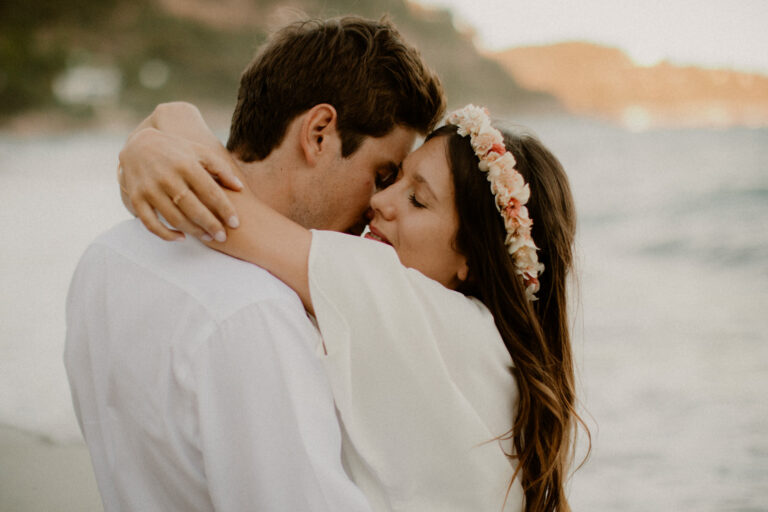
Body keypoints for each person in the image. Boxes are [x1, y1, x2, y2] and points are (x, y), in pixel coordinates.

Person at [119, 102, 588, 511]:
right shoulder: (487, 346)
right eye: (392, 178)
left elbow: (223, 214)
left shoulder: (415, 308)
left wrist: (167, 123)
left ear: (474, 258)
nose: (379, 201)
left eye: (417, 200)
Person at [64, 16, 445, 512]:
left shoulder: (108, 255)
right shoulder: (260, 313)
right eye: (382, 173)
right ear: (319, 133)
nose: (379, 204)